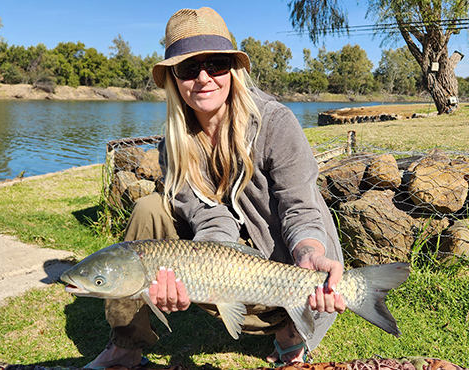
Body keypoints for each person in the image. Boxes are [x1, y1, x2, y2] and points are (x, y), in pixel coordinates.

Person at [85, 7, 346, 369]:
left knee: (298, 268)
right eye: (189, 69)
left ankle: (291, 332)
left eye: (216, 64)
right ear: (174, 79)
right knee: (149, 209)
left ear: (233, 69)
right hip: (235, 264)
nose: (204, 78)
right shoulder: (172, 145)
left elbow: (300, 208)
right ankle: (125, 345)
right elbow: (209, 217)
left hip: (294, 265)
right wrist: (201, 272)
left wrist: (309, 253)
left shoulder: (275, 122)